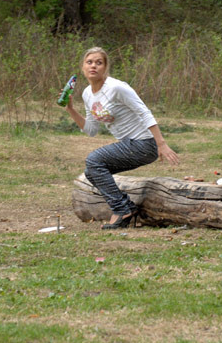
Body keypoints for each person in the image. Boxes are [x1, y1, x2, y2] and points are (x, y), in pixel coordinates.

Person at [64, 47, 179, 229]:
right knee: (92, 171)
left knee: (94, 160)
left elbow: (144, 112)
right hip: (129, 144)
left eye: (99, 62)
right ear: (83, 67)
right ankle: (126, 207)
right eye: (89, 62)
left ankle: (122, 209)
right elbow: (92, 129)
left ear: (106, 67)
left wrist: (161, 144)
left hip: (145, 143)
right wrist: (71, 109)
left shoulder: (116, 88)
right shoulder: (87, 93)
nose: (94, 66)